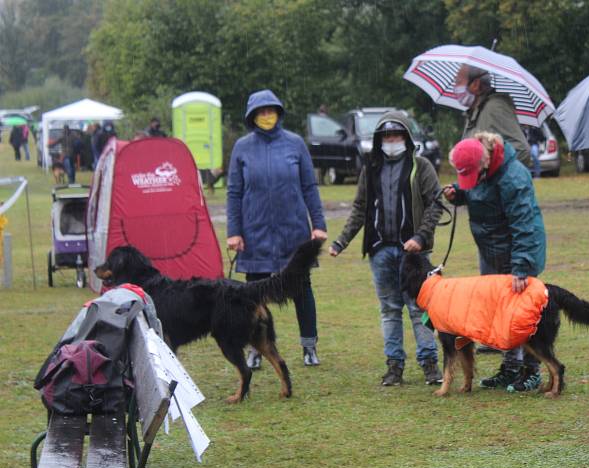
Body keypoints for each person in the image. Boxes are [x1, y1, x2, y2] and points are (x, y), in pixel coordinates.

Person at [329, 111, 444, 387]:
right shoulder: (371, 168)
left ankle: (430, 364)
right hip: (380, 251)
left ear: (406, 137)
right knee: (390, 310)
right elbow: (360, 208)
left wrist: (420, 236)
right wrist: (341, 242)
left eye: (396, 135)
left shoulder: (422, 166)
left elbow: (436, 204)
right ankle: (394, 367)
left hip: (414, 253)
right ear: (380, 140)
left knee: (419, 308)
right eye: (387, 136)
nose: (392, 140)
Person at [227, 89, 327, 368]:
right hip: (254, 231)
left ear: (278, 114)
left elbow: (309, 186)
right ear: (253, 116)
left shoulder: (295, 144)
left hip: (293, 231)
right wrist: (234, 231)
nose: (267, 116)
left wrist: (318, 225)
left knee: (301, 288)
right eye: (261, 112)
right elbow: (234, 192)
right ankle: (256, 349)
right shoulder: (242, 148)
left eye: (271, 111)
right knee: (253, 295)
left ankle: (309, 347)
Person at [443, 132, 547, 393]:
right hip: (490, 251)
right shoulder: (479, 166)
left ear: (485, 161)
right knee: (499, 313)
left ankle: (532, 370)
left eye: (471, 174)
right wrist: (459, 193)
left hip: (517, 253)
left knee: (522, 314)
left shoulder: (513, 177)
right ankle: (510, 367)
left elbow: (524, 223)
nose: (470, 179)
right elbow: (479, 193)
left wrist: (521, 266)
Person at [454, 64, 532, 168]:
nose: (455, 87)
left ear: (476, 84)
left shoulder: (494, 108)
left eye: (459, 82)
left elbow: (522, 150)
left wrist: (492, 176)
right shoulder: (474, 112)